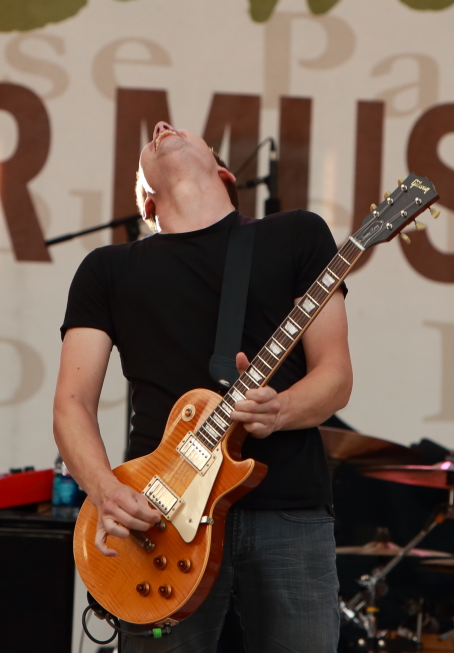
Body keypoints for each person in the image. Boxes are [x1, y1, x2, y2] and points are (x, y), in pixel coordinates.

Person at [53, 121, 353, 652]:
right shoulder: (106, 270)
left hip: (287, 509)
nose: (162, 126)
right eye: (152, 136)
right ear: (146, 201)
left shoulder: (297, 235)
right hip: (157, 524)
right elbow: (71, 403)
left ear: (224, 172)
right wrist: (104, 491)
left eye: (181, 129)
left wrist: (279, 410)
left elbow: (335, 376)